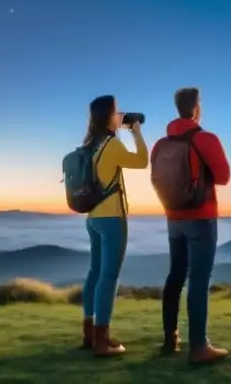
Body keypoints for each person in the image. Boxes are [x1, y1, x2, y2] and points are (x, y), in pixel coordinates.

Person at [151, 87, 231, 364]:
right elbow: (223, 176)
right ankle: (199, 347)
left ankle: (169, 338)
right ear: (196, 107)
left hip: (173, 217)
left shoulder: (160, 144)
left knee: (175, 276)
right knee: (198, 281)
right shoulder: (205, 138)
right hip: (201, 216)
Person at [81, 95, 148, 357]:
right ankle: (102, 340)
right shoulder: (110, 144)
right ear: (108, 115)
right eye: (117, 112)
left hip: (93, 218)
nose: (120, 115)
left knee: (94, 273)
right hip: (112, 220)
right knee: (108, 277)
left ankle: (89, 333)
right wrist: (136, 132)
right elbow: (142, 160)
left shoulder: (90, 145)